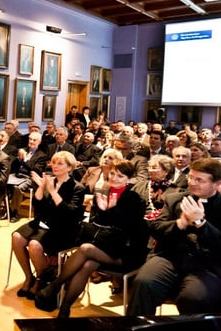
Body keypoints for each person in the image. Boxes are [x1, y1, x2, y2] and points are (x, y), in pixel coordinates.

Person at [35, 159, 148, 317]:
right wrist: (101, 210)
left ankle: (54, 286)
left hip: (125, 252)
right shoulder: (103, 192)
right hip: (103, 246)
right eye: (113, 174)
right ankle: (64, 310)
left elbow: (127, 229)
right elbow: (96, 222)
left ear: (128, 180)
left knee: (85, 249)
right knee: (88, 265)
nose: (114, 178)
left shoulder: (135, 198)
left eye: (120, 176)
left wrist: (109, 210)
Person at [128, 158, 221, 316]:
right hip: (169, 257)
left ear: (217, 183)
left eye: (199, 180)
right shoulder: (175, 199)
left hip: (207, 266)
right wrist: (180, 223)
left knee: (195, 298)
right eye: (191, 177)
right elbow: (156, 228)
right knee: (144, 283)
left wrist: (201, 223)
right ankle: (136, 327)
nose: (192, 183)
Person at [11, 152, 86, 300]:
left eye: (60, 164)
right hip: (45, 221)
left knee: (34, 245)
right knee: (17, 237)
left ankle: (41, 279)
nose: (55, 166)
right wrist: (41, 187)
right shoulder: (50, 181)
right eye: (54, 163)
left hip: (63, 227)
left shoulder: (77, 187)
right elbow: (38, 206)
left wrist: (52, 191)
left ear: (70, 167)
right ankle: (29, 277)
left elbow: (69, 213)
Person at [9, 131, 48, 222]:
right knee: (2, 181)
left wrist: (25, 159)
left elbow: (36, 170)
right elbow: (13, 165)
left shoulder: (42, 155)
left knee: (18, 188)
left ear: (39, 142)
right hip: (17, 175)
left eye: (34, 140)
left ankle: (13, 212)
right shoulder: (22, 150)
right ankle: (1, 207)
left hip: (30, 178)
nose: (31, 141)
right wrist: (18, 158)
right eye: (30, 139)